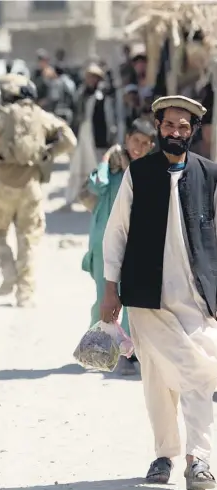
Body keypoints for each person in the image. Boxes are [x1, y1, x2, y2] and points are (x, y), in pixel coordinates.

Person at [102, 95, 217, 490]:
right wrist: (109, 289)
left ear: (193, 132)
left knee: (199, 369)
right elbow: (116, 231)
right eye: (169, 126)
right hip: (146, 297)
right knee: (157, 380)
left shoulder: (209, 174)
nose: (176, 133)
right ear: (158, 127)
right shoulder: (140, 173)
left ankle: (198, 460)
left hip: (198, 297)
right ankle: (165, 455)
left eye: (184, 128)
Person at [0, 75, 76, 307]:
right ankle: (25, 295)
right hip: (31, 187)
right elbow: (69, 139)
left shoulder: (2, 116)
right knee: (28, 240)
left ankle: (8, 269)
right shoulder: (41, 116)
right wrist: (49, 153)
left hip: (3, 185)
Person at [80, 119, 156, 375]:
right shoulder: (113, 169)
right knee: (105, 297)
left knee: (130, 300)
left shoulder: (148, 172)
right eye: (136, 141)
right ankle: (96, 347)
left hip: (134, 245)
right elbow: (96, 186)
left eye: (145, 144)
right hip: (105, 244)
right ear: (127, 140)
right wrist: (104, 160)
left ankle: (128, 353)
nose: (139, 147)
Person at [66, 63, 117, 209]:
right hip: (83, 134)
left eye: (93, 77)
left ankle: (101, 201)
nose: (90, 80)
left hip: (97, 138)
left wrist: (109, 136)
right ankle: (70, 199)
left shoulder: (103, 97)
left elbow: (109, 118)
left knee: (99, 169)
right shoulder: (81, 94)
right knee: (77, 167)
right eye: (88, 77)